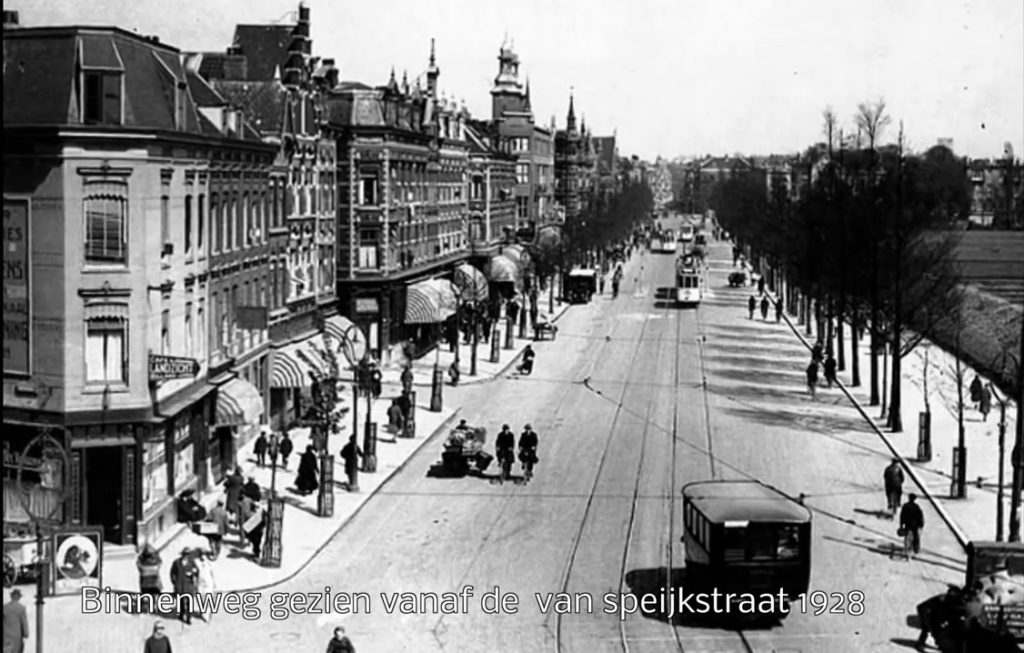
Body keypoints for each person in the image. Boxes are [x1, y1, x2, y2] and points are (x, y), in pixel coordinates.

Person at [915, 586, 963, 651]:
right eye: (951, 595)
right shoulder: (939, 599)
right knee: (927, 628)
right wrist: (925, 621)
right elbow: (921, 607)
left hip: (941, 618)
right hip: (933, 617)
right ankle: (920, 644)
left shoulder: (958, 602)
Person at [169, 548, 198, 624]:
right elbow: (172, 573)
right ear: (182, 554)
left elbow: (197, 571)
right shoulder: (176, 562)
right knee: (180, 601)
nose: (186, 556)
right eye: (185, 554)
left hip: (189, 585)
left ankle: (188, 618)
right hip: (179, 585)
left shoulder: (192, 562)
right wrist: (174, 582)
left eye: (188, 554)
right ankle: (181, 615)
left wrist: (192, 573)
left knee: (189, 602)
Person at [899, 494, 925, 560]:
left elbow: (902, 516)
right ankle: (916, 549)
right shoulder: (916, 507)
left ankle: (907, 548)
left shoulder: (905, 506)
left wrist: (901, 525)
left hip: (907, 524)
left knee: (907, 535)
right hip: (915, 525)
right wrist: (921, 524)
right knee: (916, 536)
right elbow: (920, 516)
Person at [4, 588, 29, 653]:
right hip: (17, 637)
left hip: (5, 636)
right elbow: (24, 622)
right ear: (19, 597)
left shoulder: (5, 607)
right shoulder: (21, 608)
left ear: (11, 596)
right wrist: (26, 634)